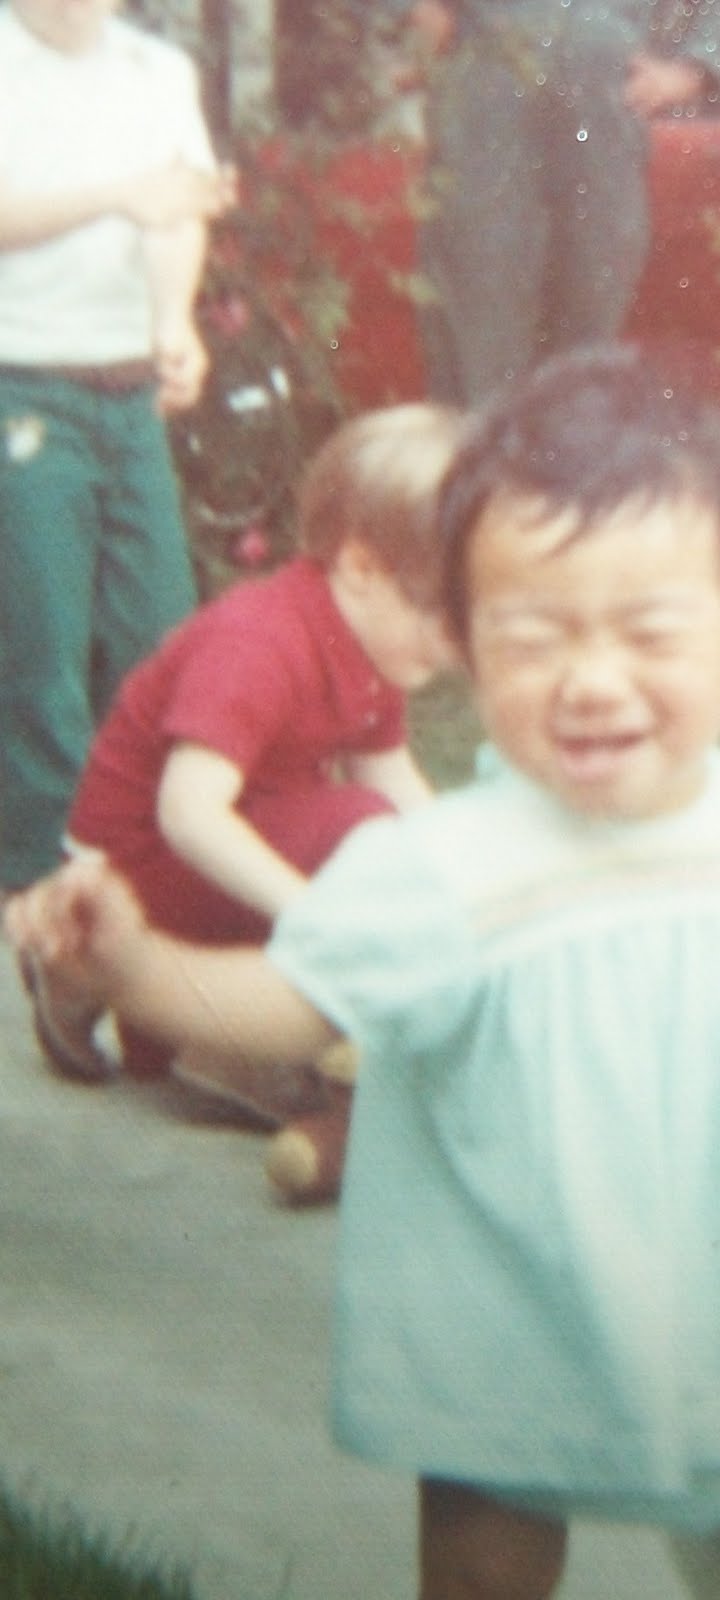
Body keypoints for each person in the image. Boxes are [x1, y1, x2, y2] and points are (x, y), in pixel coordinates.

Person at [4, 346, 720, 1599]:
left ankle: (712, 1508)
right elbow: (279, 1005)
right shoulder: (439, 869)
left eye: (650, 630)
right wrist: (135, 964)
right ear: (465, 646)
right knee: (487, 1574)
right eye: (533, 634)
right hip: (506, 1313)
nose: (592, 680)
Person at [19, 403, 460, 1198]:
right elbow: (187, 812)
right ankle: (166, 1001)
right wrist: (314, 917)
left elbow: (394, 776)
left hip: (210, 859)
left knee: (386, 839)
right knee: (358, 829)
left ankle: (181, 1030)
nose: (453, 642)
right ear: (361, 566)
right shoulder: (261, 640)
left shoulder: (366, 641)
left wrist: (471, 887)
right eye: (438, 609)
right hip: (138, 867)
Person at [0, 0, 237, 896]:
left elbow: (176, 214)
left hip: (128, 392)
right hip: (20, 383)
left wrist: (174, 324)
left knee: (158, 639)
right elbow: (133, 197)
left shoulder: (156, 71)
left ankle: (141, 867)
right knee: (40, 656)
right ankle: (40, 891)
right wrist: (111, 195)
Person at [385, 0, 720, 402]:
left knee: (585, 340)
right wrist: (412, 9)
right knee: (480, 323)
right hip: (487, 107)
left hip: (601, 117)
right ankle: (481, 439)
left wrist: (692, 71)